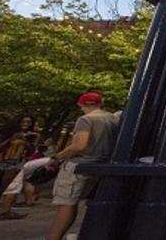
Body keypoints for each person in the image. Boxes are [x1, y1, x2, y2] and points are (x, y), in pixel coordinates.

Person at [45, 93, 119, 240]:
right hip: (100, 164)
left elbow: (79, 145)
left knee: (67, 204)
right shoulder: (113, 119)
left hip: (78, 165)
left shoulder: (86, 119)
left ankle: (53, 238)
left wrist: (56, 158)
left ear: (81, 105)